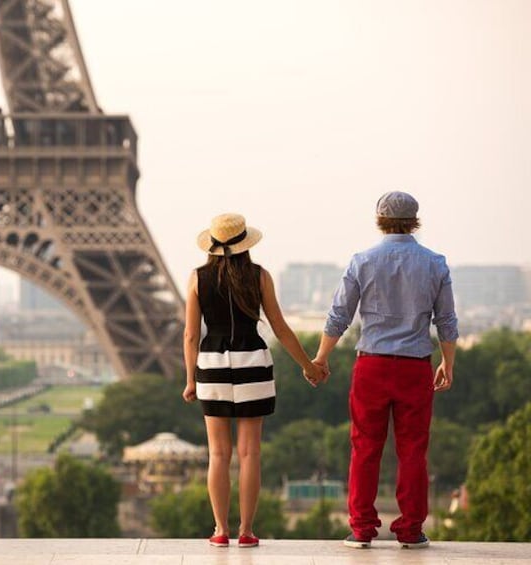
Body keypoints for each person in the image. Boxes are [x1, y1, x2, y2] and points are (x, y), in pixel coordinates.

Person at [311, 191, 458, 550]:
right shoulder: (434, 263)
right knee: (412, 450)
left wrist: (320, 358)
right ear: (415, 220)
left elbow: (339, 316)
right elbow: (447, 322)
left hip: (371, 365)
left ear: (379, 220)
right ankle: (410, 529)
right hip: (415, 367)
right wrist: (447, 363)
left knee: (364, 448)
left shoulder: (362, 261)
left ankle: (362, 529)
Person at [182, 212, 327, 548]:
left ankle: (220, 530)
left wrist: (190, 379)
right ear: (246, 243)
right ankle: (246, 531)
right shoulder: (259, 277)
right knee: (250, 454)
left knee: (218, 454)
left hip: (213, 364)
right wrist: (308, 365)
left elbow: (191, 335)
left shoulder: (196, 278)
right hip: (253, 362)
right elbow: (280, 328)